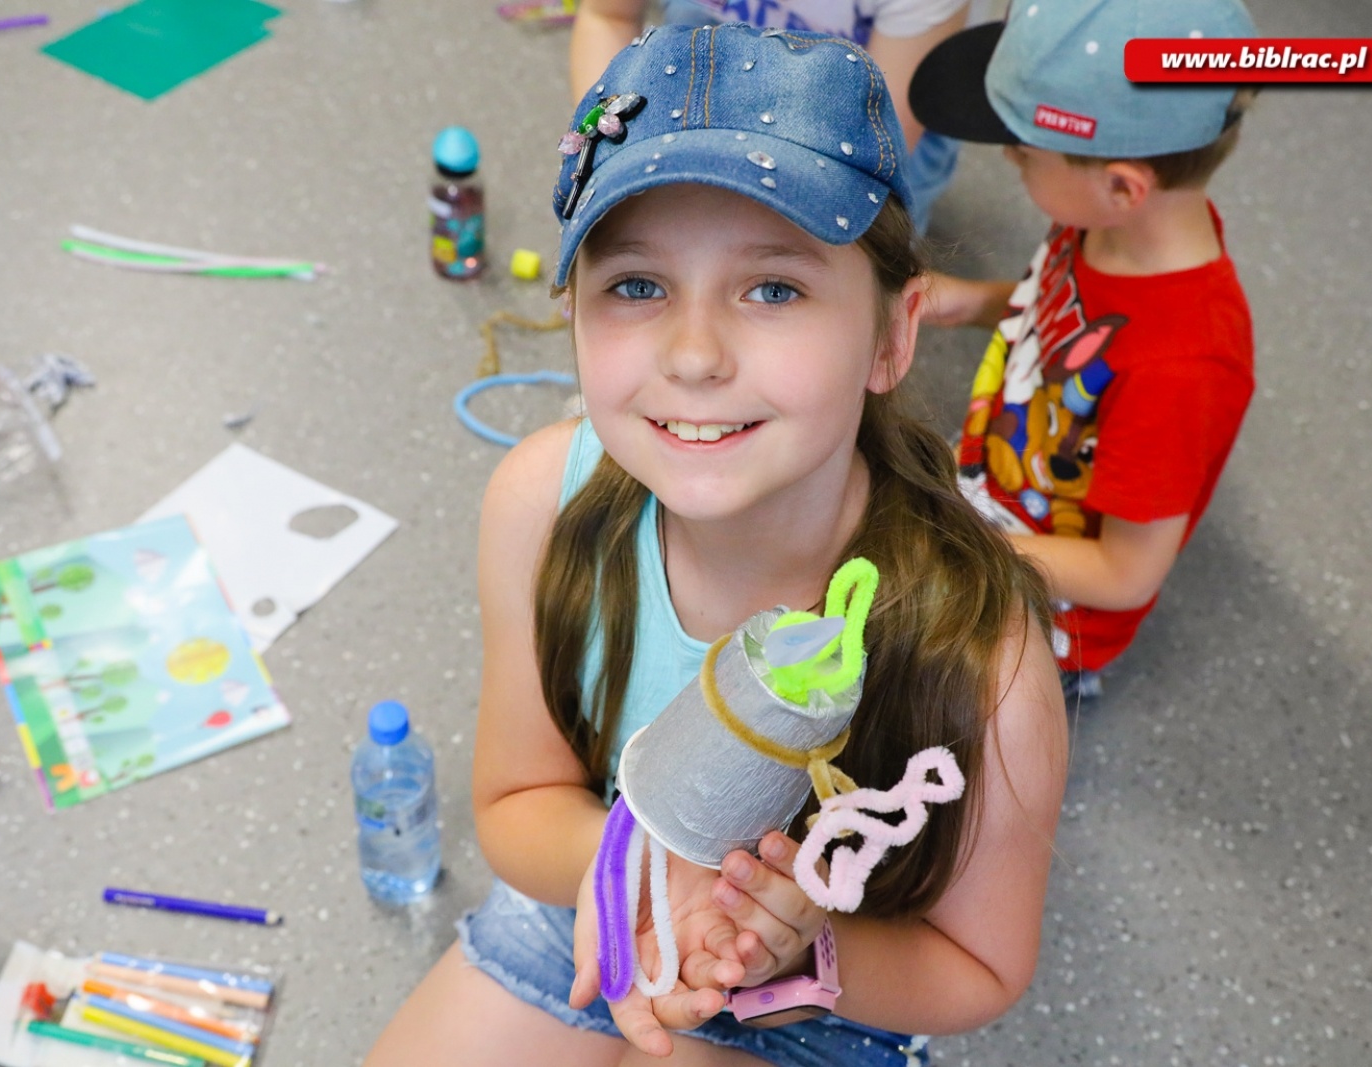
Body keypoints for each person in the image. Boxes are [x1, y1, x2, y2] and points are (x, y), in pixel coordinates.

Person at [365, 24, 1067, 1067]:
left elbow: (976, 965)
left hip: (821, 999)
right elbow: (516, 803)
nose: (693, 354)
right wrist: (644, 874)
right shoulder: (538, 505)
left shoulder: (982, 656)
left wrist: (790, 948)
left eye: (773, 288)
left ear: (892, 334)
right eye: (637, 286)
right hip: (587, 900)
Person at [907, 0, 1260, 706]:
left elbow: (1124, 572)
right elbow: (1069, 317)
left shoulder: (1186, 364)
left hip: (1045, 599)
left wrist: (948, 535)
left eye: (1024, 150)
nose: (1007, 155)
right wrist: (973, 301)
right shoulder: (1106, 222)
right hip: (992, 479)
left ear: (1125, 185)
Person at [569, 0, 988, 232]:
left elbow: (883, 127)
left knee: (864, 244)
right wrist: (609, 159)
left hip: (874, 91)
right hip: (713, 25)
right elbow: (607, 15)